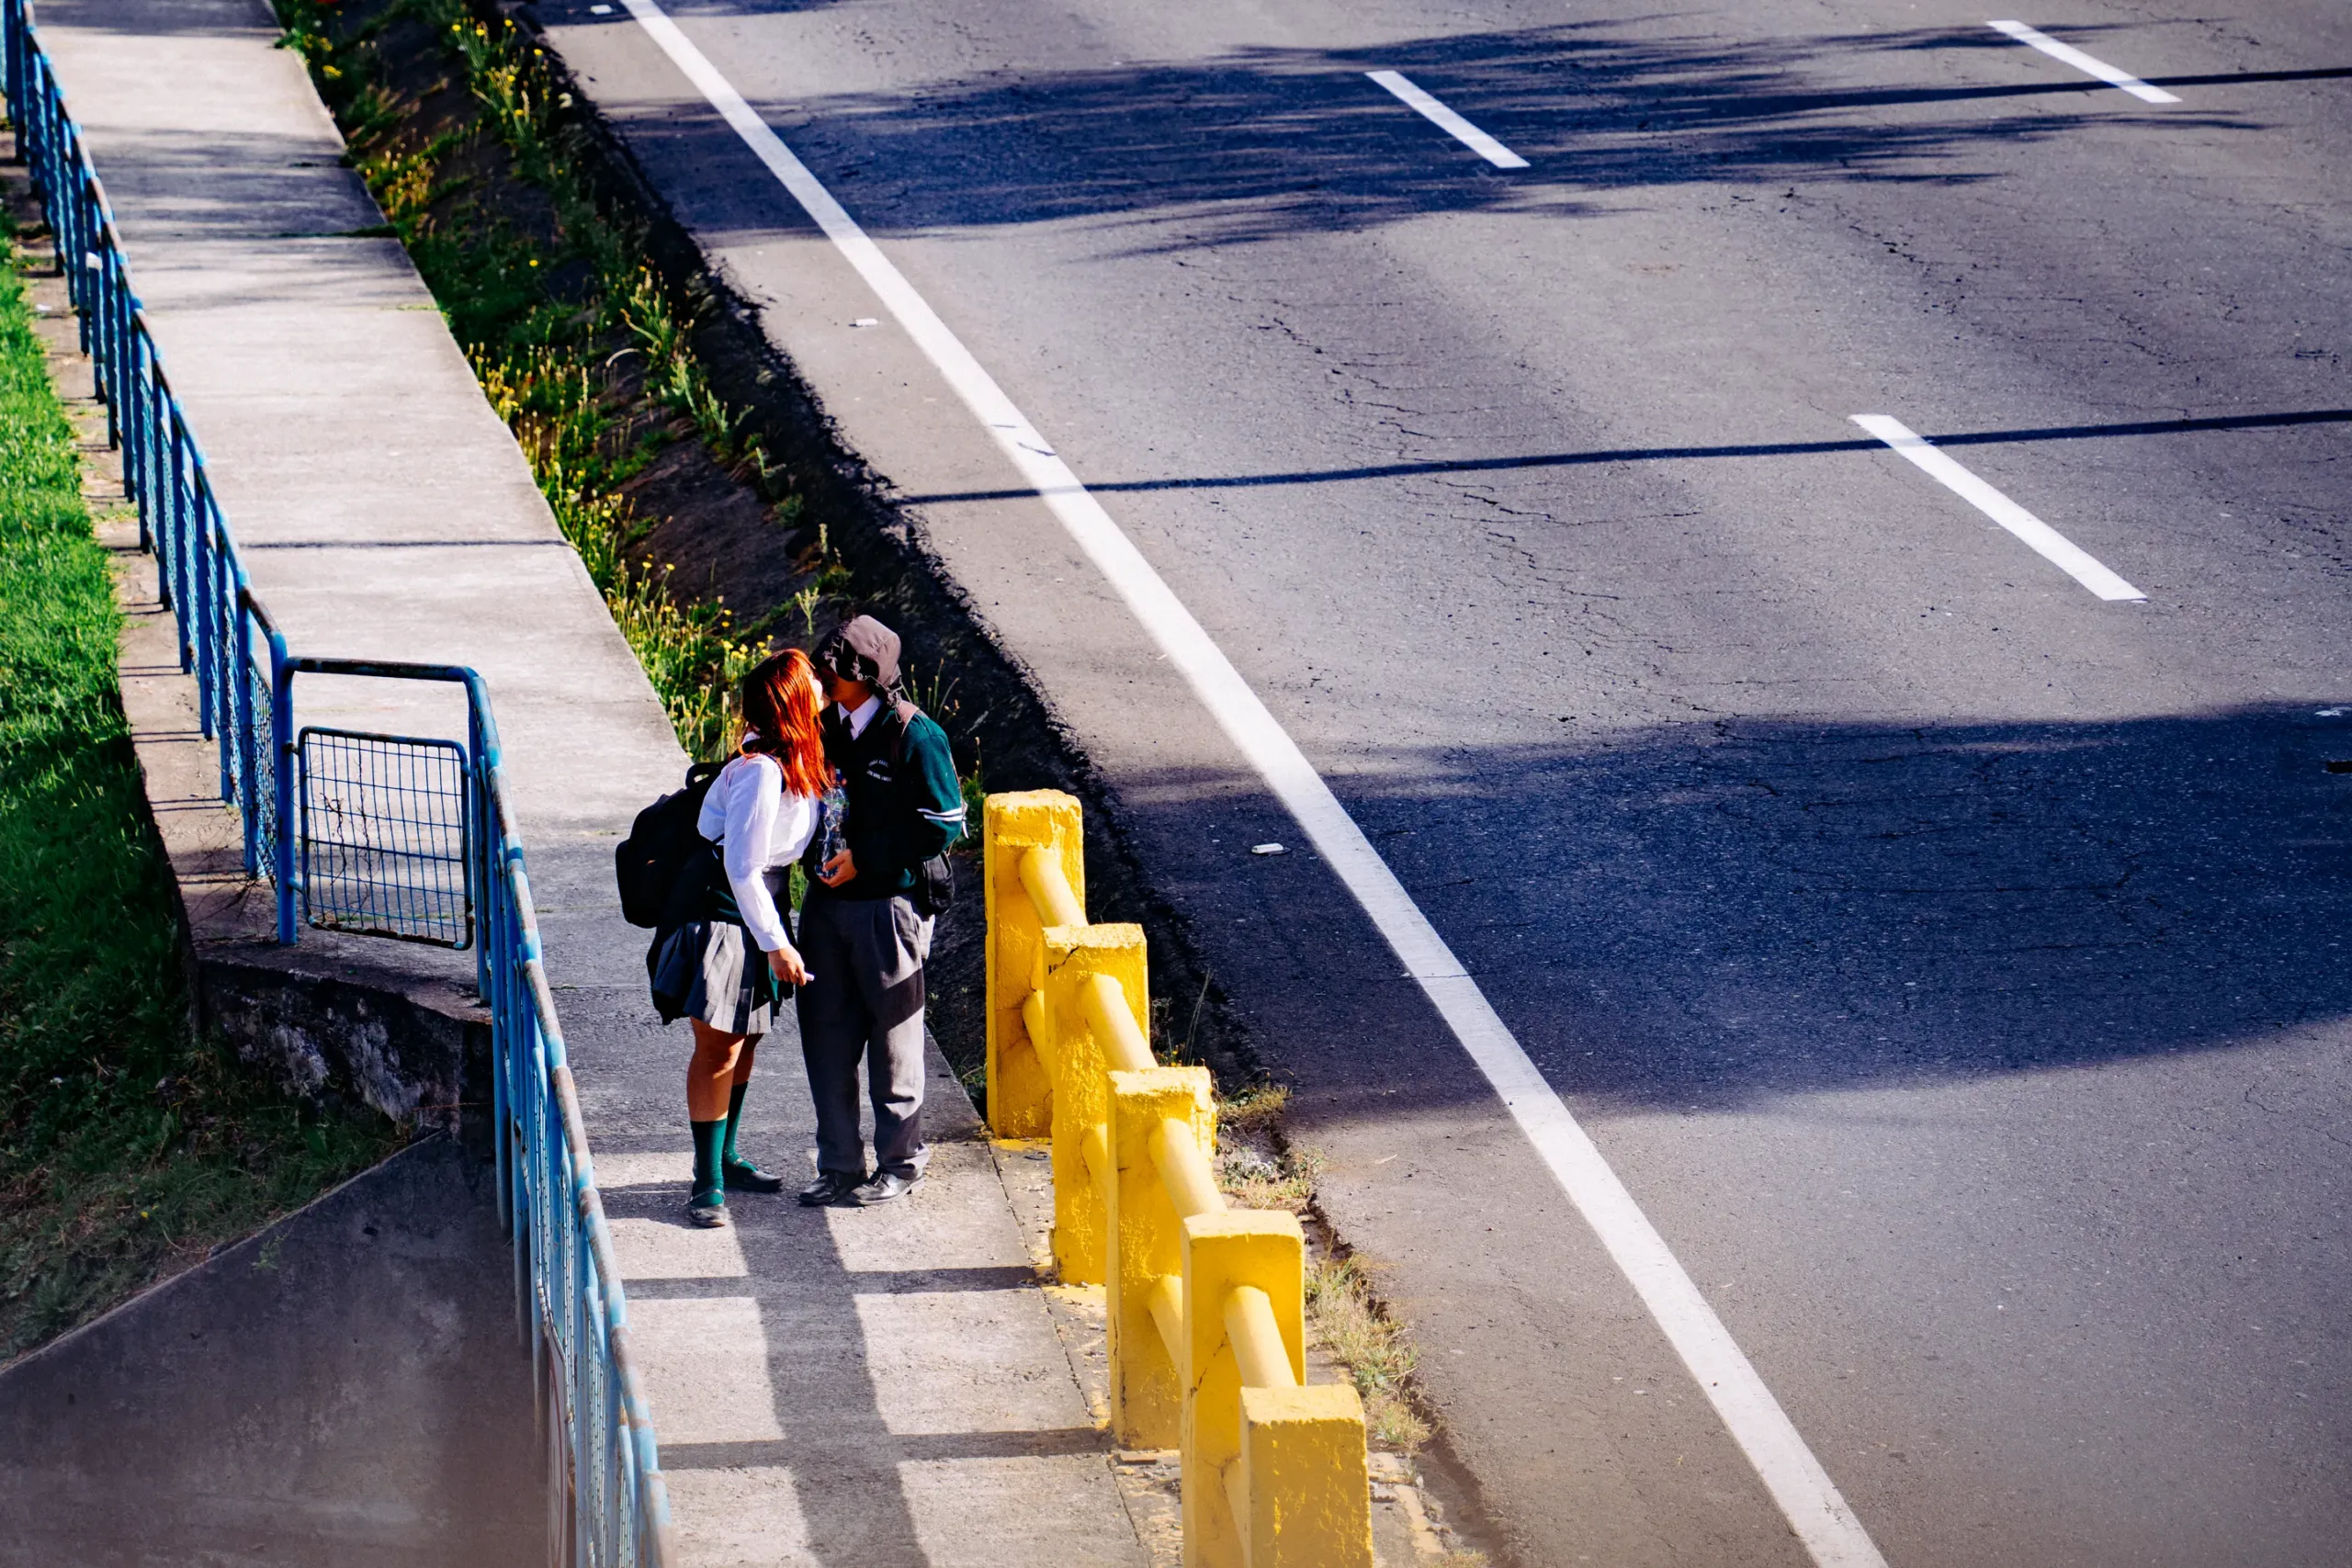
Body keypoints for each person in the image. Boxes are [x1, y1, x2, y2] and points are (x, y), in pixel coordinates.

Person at [646, 649, 830, 1227]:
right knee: (719, 1046)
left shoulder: (793, 761)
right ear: (796, 702)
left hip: (758, 909)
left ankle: (725, 1156)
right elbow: (743, 868)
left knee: (746, 1040)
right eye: (813, 684)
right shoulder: (760, 774)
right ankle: (706, 1181)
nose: (825, 688)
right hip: (722, 912)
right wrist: (776, 944)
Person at [795, 615, 967, 1207]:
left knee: (895, 1044)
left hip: (888, 910)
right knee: (826, 1040)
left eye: (833, 672)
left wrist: (865, 859)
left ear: (866, 676)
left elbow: (945, 825)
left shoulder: (916, 737)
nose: (824, 680)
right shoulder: (822, 727)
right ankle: (839, 1164)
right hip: (823, 909)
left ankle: (900, 1163)